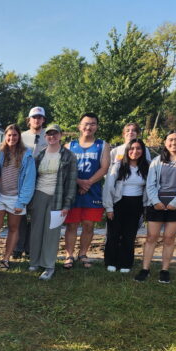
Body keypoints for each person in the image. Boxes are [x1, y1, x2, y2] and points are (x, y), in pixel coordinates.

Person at [135, 130, 176, 284]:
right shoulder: (157, 161)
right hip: (156, 204)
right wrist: (155, 201)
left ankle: (164, 270)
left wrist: (175, 202)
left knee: (169, 238)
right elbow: (150, 183)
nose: (173, 143)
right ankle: (145, 269)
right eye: (170, 139)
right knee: (151, 237)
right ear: (165, 142)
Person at [28, 124, 78, 280]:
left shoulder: (69, 156)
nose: (52, 137)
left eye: (55, 134)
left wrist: (66, 204)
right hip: (39, 195)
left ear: (60, 136)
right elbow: (32, 178)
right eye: (49, 134)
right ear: (45, 137)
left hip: (57, 197)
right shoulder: (40, 156)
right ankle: (34, 261)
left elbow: (71, 182)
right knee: (36, 230)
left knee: (52, 232)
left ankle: (49, 265)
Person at [63, 113, 111, 269]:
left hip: (93, 190)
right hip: (73, 190)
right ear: (79, 126)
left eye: (92, 124)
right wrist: (79, 182)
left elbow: (104, 168)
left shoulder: (103, 145)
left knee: (89, 224)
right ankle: (69, 255)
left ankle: (82, 253)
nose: (88, 127)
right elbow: (65, 169)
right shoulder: (69, 146)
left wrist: (88, 183)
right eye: (86, 123)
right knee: (71, 224)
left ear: (96, 126)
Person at [0, 124, 36, 269]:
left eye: (15, 135)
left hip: (16, 197)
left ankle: (6, 258)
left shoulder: (26, 154)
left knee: (13, 228)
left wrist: (22, 201)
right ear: (5, 136)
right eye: (9, 135)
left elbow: (29, 179)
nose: (12, 138)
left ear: (19, 136)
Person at [103, 138, 149, 274]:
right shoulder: (118, 166)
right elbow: (108, 188)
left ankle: (126, 262)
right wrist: (109, 208)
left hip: (136, 205)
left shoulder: (147, 167)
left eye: (138, 148)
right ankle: (111, 261)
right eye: (132, 148)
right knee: (113, 234)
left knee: (129, 236)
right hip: (118, 203)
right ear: (127, 150)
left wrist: (145, 208)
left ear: (143, 151)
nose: (135, 151)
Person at [16, 106, 48, 258]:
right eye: (34, 117)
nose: (37, 120)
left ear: (43, 119)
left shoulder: (48, 136)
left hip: (42, 181)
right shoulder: (22, 137)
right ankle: (18, 246)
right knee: (20, 215)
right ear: (29, 120)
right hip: (23, 181)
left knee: (35, 217)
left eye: (40, 117)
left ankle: (30, 247)